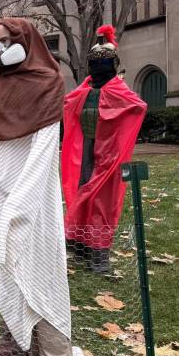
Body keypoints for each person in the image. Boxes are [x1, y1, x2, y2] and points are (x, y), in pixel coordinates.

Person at [0, 18, 76, 356]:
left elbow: (44, 151)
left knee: (39, 272)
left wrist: (20, 202)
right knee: (3, 269)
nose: (0, 48)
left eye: (8, 40)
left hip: (29, 199)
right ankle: (21, 338)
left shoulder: (47, 82)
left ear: (27, 41)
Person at [62, 25, 147, 273]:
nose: (98, 67)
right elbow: (69, 104)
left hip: (107, 153)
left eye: (104, 62)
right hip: (84, 150)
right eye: (95, 63)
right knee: (80, 189)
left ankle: (99, 253)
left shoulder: (119, 90)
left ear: (112, 64)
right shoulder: (84, 89)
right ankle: (79, 243)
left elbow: (137, 106)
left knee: (102, 200)